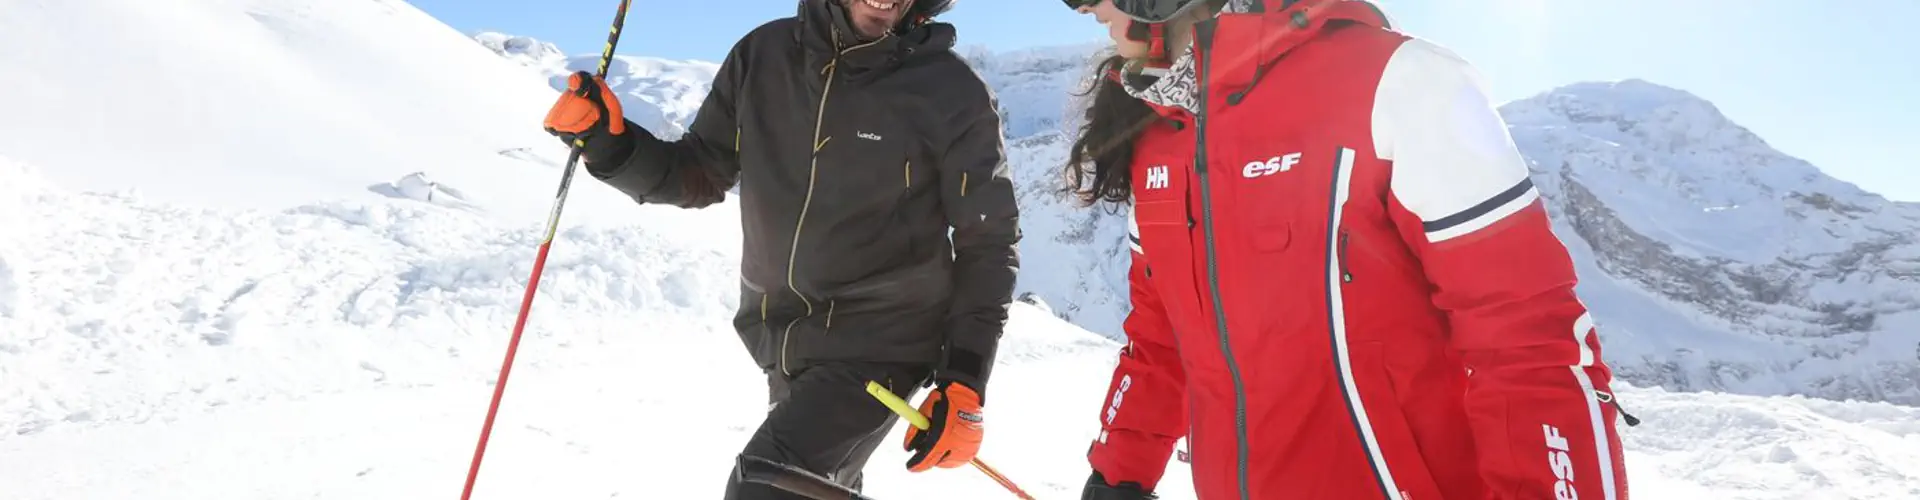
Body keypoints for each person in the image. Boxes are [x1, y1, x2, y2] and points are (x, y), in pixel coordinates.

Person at [1059, 1, 1635, 499]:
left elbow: (1527, 340)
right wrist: (1119, 475)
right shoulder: (1159, 138)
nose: (1083, 9)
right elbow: (1161, 340)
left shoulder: (1399, 83)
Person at [540, 0, 1020, 497]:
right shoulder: (763, 56)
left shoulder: (950, 92)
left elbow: (989, 240)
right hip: (784, 342)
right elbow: (701, 172)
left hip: (881, 345)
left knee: (765, 485)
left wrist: (964, 379)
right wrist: (610, 146)